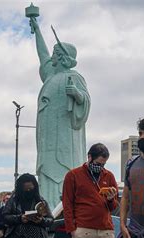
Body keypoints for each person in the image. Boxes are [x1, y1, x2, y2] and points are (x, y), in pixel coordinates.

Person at [29, 16, 91, 207]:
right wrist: (37, 30)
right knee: (47, 174)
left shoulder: (74, 77)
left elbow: (86, 102)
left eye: (56, 54)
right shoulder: (51, 75)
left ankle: (64, 209)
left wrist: (77, 95)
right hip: (47, 139)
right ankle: (48, 210)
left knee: (66, 175)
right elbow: (42, 55)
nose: (52, 57)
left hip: (65, 141)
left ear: (63, 58)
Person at [62, 143, 118, 238]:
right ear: (89, 157)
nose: (101, 167)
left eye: (104, 164)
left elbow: (113, 207)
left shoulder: (109, 176)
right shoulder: (73, 175)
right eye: (98, 164)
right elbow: (67, 204)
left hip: (106, 230)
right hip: (83, 228)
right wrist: (72, 229)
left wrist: (110, 199)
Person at [3, 173, 54, 238]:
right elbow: (5, 217)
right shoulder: (13, 200)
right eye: (26, 189)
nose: (29, 191)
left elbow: (50, 219)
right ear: (20, 188)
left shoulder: (41, 201)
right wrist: (19, 218)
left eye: (31, 188)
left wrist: (41, 220)